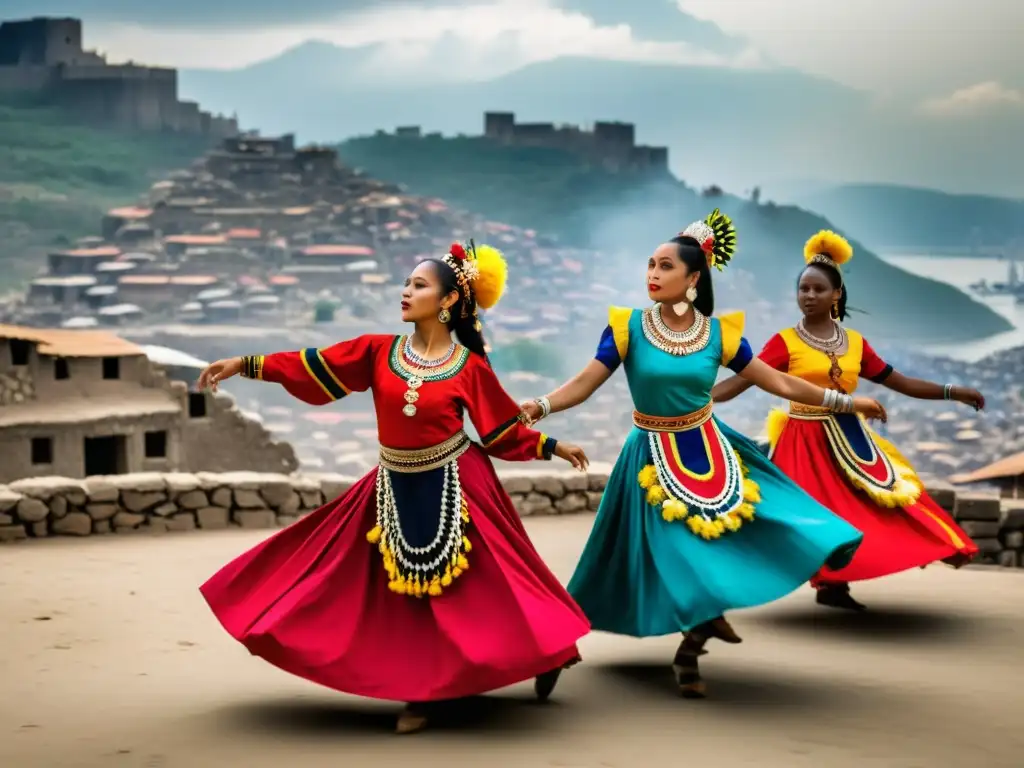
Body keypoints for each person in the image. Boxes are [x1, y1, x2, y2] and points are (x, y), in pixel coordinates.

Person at [197, 242, 592, 735]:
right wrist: (245, 364)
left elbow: (499, 430)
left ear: (448, 301)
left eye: (419, 285)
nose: (405, 292)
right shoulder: (377, 351)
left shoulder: (469, 367)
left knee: (489, 592)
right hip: (390, 483)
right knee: (372, 590)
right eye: (406, 284)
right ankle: (421, 687)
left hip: (458, 485)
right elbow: (314, 364)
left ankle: (523, 660)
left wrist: (552, 445)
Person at [519, 210, 882, 698]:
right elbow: (585, 383)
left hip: (711, 448)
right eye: (650, 264)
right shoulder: (627, 328)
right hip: (646, 458)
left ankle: (691, 648)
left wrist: (847, 401)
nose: (652, 273)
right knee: (615, 566)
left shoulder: (719, 335)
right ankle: (559, 647)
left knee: (717, 544)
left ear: (693, 278)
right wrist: (538, 407)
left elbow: (778, 381)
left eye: (665, 266)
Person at [711, 229, 983, 611]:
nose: (808, 295)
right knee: (813, 513)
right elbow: (741, 381)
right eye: (803, 289)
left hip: (850, 440)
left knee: (874, 508)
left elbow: (900, 382)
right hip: (802, 440)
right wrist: (694, 401)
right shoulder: (785, 342)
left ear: (836, 294)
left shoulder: (854, 343)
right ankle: (814, 583)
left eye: (817, 289)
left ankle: (836, 583)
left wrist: (952, 392)